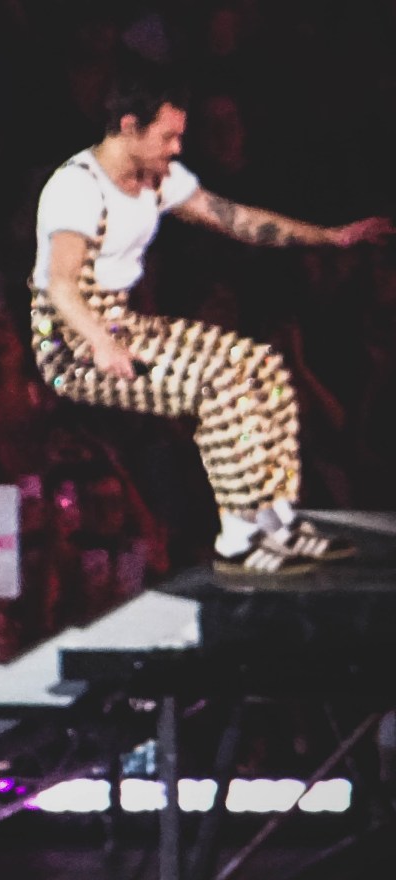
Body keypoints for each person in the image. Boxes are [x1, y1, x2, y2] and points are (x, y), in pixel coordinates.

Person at [30, 65, 393, 576]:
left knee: (262, 366)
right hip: (71, 344)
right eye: (168, 137)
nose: (177, 148)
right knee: (218, 384)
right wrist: (101, 343)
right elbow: (62, 286)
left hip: (119, 324)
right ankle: (239, 539)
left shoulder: (157, 177)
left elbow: (235, 219)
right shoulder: (76, 188)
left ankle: (277, 522)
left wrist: (329, 237)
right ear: (130, 126)